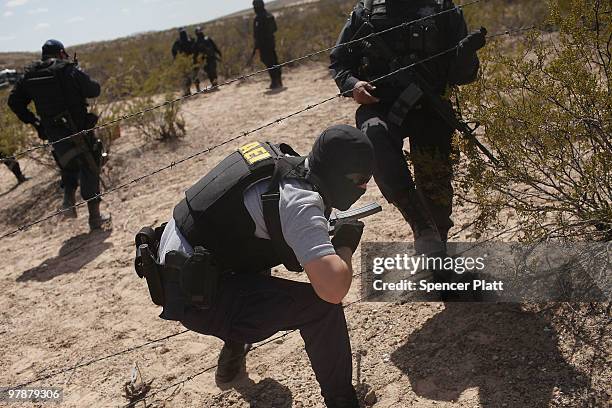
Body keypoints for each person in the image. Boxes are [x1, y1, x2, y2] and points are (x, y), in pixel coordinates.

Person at [136, 125, 375, 408]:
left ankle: (231, 361)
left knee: (256, 253)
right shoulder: (301, 202)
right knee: (321, 309)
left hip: (187, 272)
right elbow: (332, 289)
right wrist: (344, 243)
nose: (365, 187)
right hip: (194, 298)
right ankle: (343, 402)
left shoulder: (280, 165)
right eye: (361, 179)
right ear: (339, 175)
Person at [330, 0, 486, 256]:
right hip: (381, 105)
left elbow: (463, 76)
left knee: (434, 178)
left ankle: (438, 246)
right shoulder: (366, 10)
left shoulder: (441, 8)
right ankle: (418, 221)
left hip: (430, 105)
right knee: (373, 135)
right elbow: (340, 62)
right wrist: (354, 85)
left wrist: (465, 55)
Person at [8, 39, 110, 230]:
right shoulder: (67, 70)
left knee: (68, 164)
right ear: (61, 53)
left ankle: (68, 200)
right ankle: (95, 218)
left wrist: (35, 123)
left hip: (54, 134)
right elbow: (94, 90)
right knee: (90, 165)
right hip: (79, 129)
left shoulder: (30, 75)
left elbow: (14, 102)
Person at [252, 0, 283, 89]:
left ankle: (275, 82)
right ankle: (278, 81)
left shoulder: (258, 18)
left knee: (269, 62)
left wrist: (257, 45)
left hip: (264, 45)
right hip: (271, 43)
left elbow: (257, 35)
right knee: (274, 61)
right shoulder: (269, 15)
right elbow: (275, 29)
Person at [171, 27, 197, 96]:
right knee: (187, 77)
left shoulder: (188, 40)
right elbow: (173, 51)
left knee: (192, 75)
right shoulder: (179, 41)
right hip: (185, 61)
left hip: (190, 60)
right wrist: (177, 59)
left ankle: (194, 89)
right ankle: (188, 91)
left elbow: (195, 47)